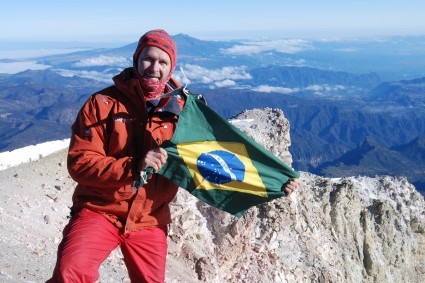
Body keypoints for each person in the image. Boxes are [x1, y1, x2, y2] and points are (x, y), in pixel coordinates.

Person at [47, 29, 300, 283]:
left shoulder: (184, 113)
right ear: (136, 60)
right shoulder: (101, 104)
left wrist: (273, 182)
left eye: (162, 61)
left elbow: (216, 162)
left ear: (171, 67)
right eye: (148, 58)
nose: (154, 67)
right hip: (99, 210)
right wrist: (134, 166)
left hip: (149, 217)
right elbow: (80, 163)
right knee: (70, 273)